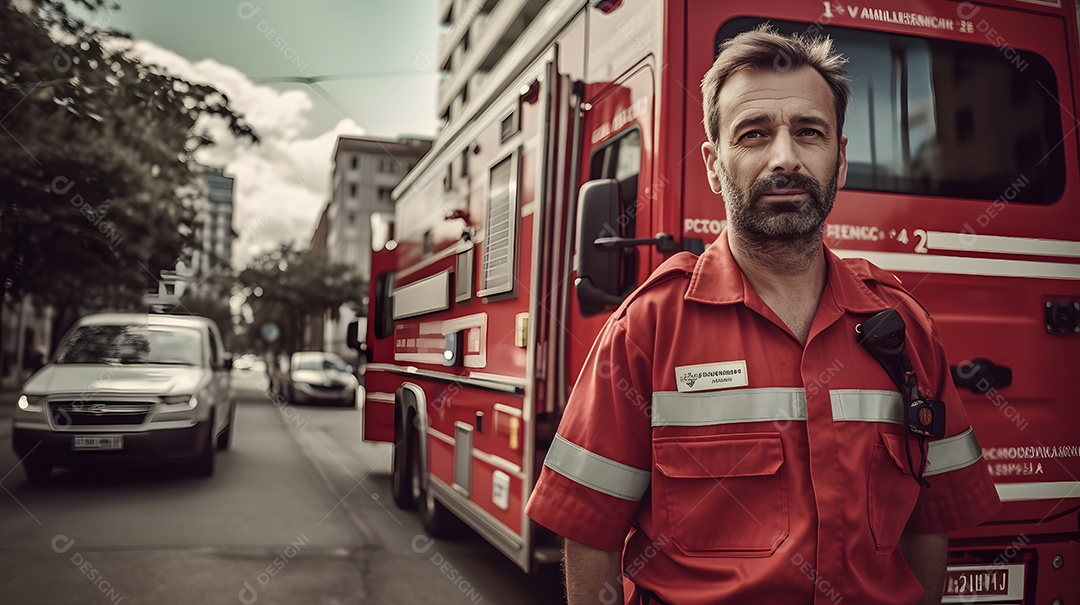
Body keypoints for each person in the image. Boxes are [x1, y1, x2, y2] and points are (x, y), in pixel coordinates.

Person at [525, 25, 1000, 605]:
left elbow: (933, 520)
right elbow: (589, 534)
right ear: (712, 163)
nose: (785, 158)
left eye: (809, 132)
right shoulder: (646, 331)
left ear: (840, 159)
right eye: (754, 134)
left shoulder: (905, 328)